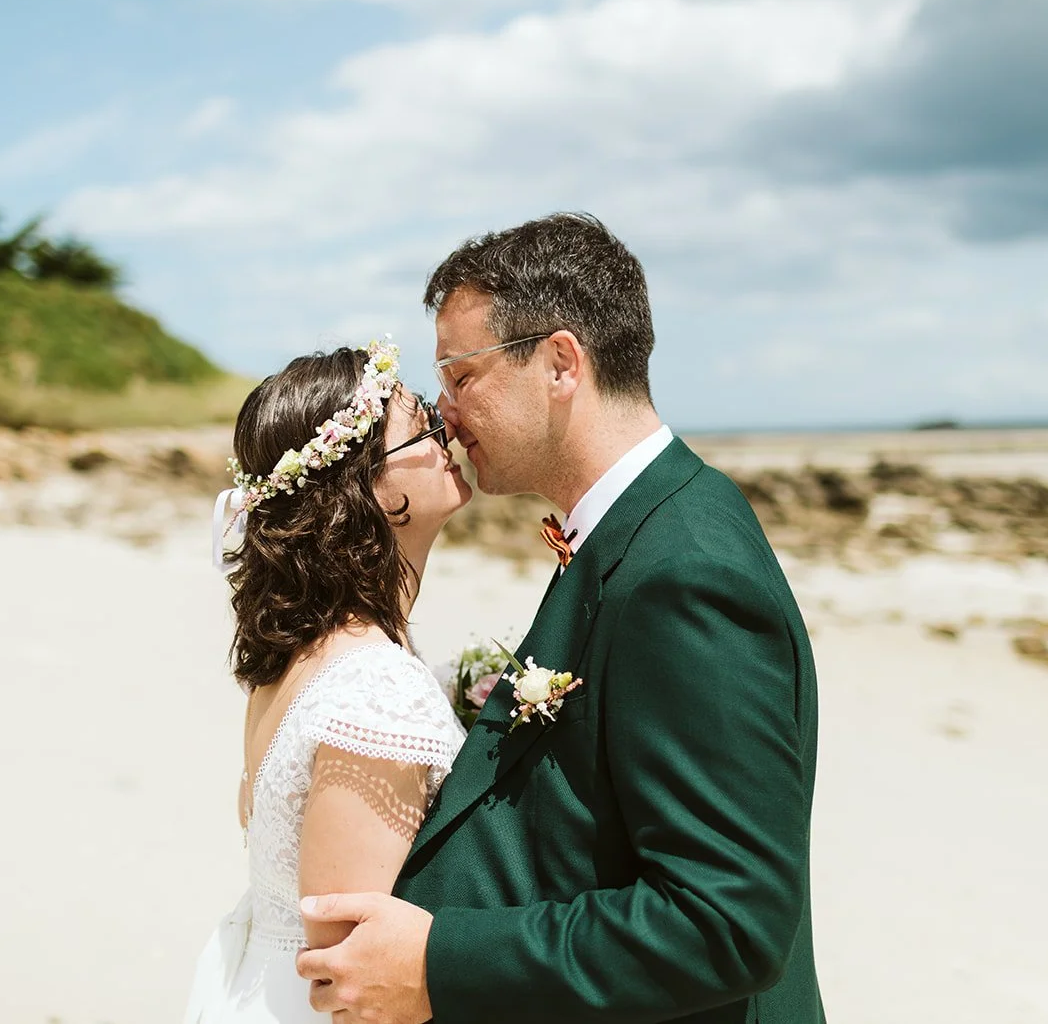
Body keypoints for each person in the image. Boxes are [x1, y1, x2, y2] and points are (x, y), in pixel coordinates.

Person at [295, 214, 826, 1023]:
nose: (443, 409)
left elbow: (729, 922)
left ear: (559, 362)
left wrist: (441, 962)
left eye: (460, 374)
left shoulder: (686, 572)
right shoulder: (636, 532)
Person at [184, 340, 471, 1024]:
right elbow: (348, 969)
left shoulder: (300, 652)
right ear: (368, 486)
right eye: (424, 424)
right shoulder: (373, 687)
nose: (448, 431)